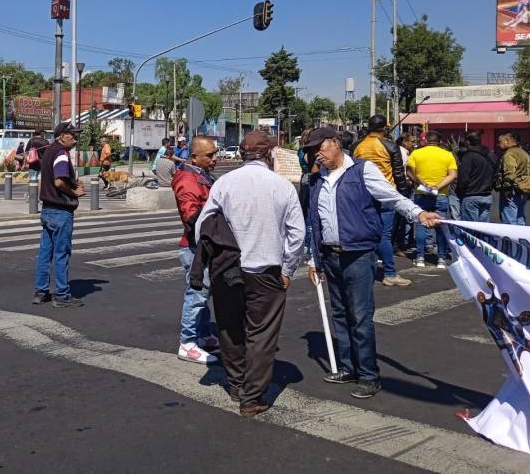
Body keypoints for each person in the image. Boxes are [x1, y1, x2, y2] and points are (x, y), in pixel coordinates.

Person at [303, 127, 440, 400]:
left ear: (335, 143)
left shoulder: (362, 171)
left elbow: (392, 197)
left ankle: (368, 374)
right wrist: (313, 259)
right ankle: (347, 367)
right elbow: (313, 222)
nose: (317, 155)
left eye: (320, 148)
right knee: (340, 314)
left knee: (360, 317)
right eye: (311, 151)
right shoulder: (318, 179)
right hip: (330, 256)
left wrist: (419, 213)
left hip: (358, 254)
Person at [194, 131, 305, 417]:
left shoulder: (224, 183)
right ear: (269, 154)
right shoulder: (282, 186)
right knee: (262, 333)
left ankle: (235, 384)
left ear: (242, 154)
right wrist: (288, 270)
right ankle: (252, 397)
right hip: (266, 271)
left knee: (230, 329)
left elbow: (202, 227)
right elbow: (297, 235)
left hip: (227, 268)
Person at [171, 136, 220, 366]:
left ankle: (202, 334)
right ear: (194, 157)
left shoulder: (199, 175)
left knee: (203, 292)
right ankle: (187, 342)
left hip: (201, 244)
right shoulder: (188, 178)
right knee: (197, 293)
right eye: (209, 155)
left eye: (214, 154)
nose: (215, 159)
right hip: (195, 246)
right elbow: (191, 215)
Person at [351, 115, 412, 287]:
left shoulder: (357, 146)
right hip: (385, 195)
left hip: (362, 195)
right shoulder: (391, 146)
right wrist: (402, 195)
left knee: (365, 234)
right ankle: (390, 273)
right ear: (384, 128)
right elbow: (399, 174)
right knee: (384, 236)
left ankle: (363, 269)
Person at [33, 122, 86, 307]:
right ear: (62, 136)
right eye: (73, 135)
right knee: (61, 253)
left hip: (47, 209)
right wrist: (74, 192)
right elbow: (58, 182)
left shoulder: (49, 151)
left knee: (44, 253)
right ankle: (62, 295)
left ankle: (41, 292)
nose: (76, 138)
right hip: (60, 210)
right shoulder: (62, 154)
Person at [405, 131, 457, 268]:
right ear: (439, 141)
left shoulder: (416, 153)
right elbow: (453, 174)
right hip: (440, 194)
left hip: (421, 193)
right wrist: (438, 186)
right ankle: (440, 259)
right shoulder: (447, 155)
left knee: (421, 224)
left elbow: (409, 172)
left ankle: (420, 257)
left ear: (426, 140)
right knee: (440, 225)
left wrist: (422, 184)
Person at [494, 131, 530, 226]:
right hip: (524, 190)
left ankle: (511, 241)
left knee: (510, 221)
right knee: (520, 219)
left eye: (500, 141)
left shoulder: (509, 154)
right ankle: (520, 239)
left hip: (512, 191)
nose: (498, 144)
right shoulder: (525, 153)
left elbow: (509, 173)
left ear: (507, 141)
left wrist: (507, 189)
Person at [456, 131, 497, 223]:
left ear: (468, 142)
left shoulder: (468, 157)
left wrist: (459, 192)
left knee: (471, 229)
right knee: (484, 228)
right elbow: (496, 174)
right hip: (486, 195)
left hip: (471, 196)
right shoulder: (490, 155)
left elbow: (464, 178)